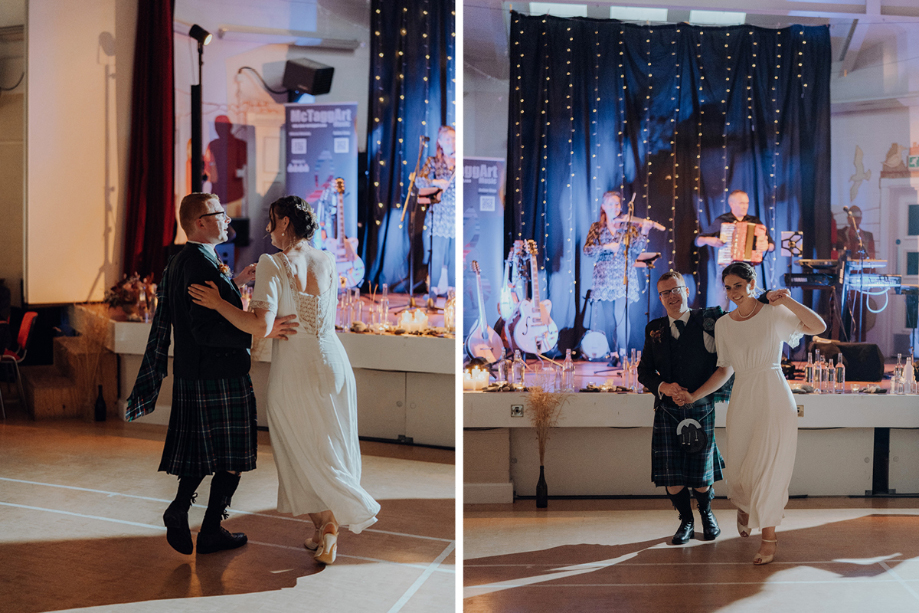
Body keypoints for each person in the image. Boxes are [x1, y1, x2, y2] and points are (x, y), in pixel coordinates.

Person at [188, 195, 380, 564]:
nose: (267, 230)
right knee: (328, 445)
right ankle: (322, 528)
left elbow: (260, 326)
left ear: (286, 223)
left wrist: (219, 304)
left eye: (272, 221)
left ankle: (328, 525)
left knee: (299, 449)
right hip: (334, 363)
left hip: (296, 366)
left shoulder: (272, 263)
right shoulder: (326, 259)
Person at [126, 192, 297, 556]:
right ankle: (210, 530)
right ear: (201, 222)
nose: (227, 220)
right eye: (219, 214)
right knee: (231, 458)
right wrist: (259, 328)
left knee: (203, 454)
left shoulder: (186, 260)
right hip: (219, 373)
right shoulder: (202, 266)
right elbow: (206, 329)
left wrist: (234, 282)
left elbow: (197, 314)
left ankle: (180, 509)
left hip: (195, 372)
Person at [674, 262, 825, 565]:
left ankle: (768, 539)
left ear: (752, 283)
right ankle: (745, 504)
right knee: (741, 468)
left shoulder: (773, 313)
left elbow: (818, 327)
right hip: (743, 396)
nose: (732, 293)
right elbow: (725, 369)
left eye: (738, 286)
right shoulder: (724, 324)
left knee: (770, 467)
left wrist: (786, 300)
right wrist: (694, 395)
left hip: (773, 394)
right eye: (728, 288)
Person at [637, 270, 769, 545]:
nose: (672, 296)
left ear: (687, 291)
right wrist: (664, 387)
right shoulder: (654, 329)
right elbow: (645, 372)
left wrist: (694, 395)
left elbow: (728, 359)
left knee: (700, 475)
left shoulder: (711, 319)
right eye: (665, 293)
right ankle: (686, 520)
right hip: (668, 409)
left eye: (676, 289)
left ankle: (707, 514)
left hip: (701, 406)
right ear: (660, 298)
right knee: (672, 476)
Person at [584, 191, 662, 361]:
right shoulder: (596, 227)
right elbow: (587, 250)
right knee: (609, 318)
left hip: (623, 275)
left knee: (621, 314)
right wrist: (606, 247)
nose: (615, 207)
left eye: (617, 204)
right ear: (604, 207)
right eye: (611, 204)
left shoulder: (628, 227)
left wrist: (645, 232)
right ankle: (612, 354)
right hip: (603, 278)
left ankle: (623, 354)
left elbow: (636, 250)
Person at [695, 190, 775, 307]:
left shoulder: (754, 221)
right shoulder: (723, 220)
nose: (745, 206)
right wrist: (709, 240)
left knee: (749, 303)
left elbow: (772, 245)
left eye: (746, 203)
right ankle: (722, 324)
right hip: (727, 267)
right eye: (741, 203)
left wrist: (766, 246)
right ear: (732, 204)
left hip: (747, 268)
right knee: (722, 304)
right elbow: (698, 241)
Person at [417, 125, 456, 295]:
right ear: (440, 142)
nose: (451, 142)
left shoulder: (460, 162)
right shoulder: (433, 161)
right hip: (439, 214)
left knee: (455, 256)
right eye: (447, 139)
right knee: (437, 254)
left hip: (456, 214)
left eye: (454, 139)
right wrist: (436, 182)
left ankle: (453, 293)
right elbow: (419, 181)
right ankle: (433, 291)